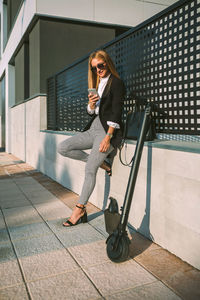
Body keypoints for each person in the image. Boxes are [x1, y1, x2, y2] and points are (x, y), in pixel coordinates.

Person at [58, 49, 125, 227]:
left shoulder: (116, 83)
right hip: (94, 127)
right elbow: (93, 113)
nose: (98, 70)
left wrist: (108, 138)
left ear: (107, 63)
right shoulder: (97, 83)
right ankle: (102, 163)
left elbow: (117, 112)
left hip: (107, 131)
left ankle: (79, 209)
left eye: (101, 66)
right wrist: (91, 105)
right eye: (94, 67)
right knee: (63, 147)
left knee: (89, 169)